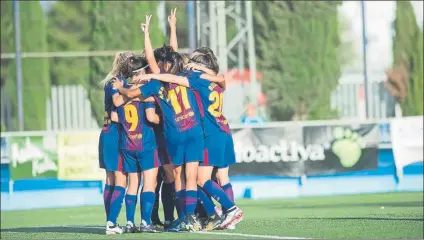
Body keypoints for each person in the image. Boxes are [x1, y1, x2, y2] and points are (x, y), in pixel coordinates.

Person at [113, 14, 205, 233]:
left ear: (160, 65)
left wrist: (146, 34)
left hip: (175, 134)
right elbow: (171, 53)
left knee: (178, 178)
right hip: (194, 130)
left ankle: (183, 218)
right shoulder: (182, 74)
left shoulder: (155, 84)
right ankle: (190, 218)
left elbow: (134, 90)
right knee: (191, 176)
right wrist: (172, 27)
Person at [134, 50, 244, 230]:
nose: (187, 64)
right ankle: (223, 215)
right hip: (223, 130)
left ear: (197, 64)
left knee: (198, 179)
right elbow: (222, 77)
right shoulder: (214, 81)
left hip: (208, 133)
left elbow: (174, 78)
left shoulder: (195, 79)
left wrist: (152, 75)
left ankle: (228, 210)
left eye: (192, 61)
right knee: (219, 176)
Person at [117, 56, 163, 233]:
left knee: (132, 184)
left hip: (127, 143)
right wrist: (165, 120)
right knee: (149, 183)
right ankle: (145, 222)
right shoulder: (144, 91)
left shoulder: (123, 90)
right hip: (146, 143)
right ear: (143, 70)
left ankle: (129, 223)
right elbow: (151, 117)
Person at [99, 51, 136, 235]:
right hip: (114, 135)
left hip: (107, 134)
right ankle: (111, 223)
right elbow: (116, 103)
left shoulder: (116, 80)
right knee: (120, 180)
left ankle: (110, 222)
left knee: (111, 180)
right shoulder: (117, 81)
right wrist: (132, 93)